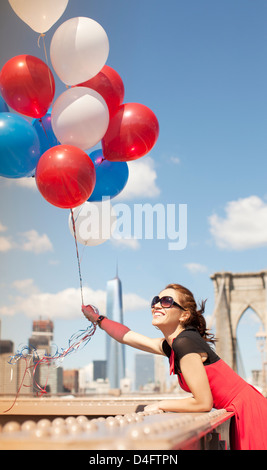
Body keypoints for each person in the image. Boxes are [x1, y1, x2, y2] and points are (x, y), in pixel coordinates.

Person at [82, 283, 267, 450]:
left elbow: (203, 402)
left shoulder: (184, 344)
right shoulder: (175, 344)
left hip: (249, 412)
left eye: (166, 301)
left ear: (184, 314)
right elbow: (130, 337)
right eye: (156, 300)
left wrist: (160, 405)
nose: (156, 305)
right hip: (244, 407)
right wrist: (98, 319)